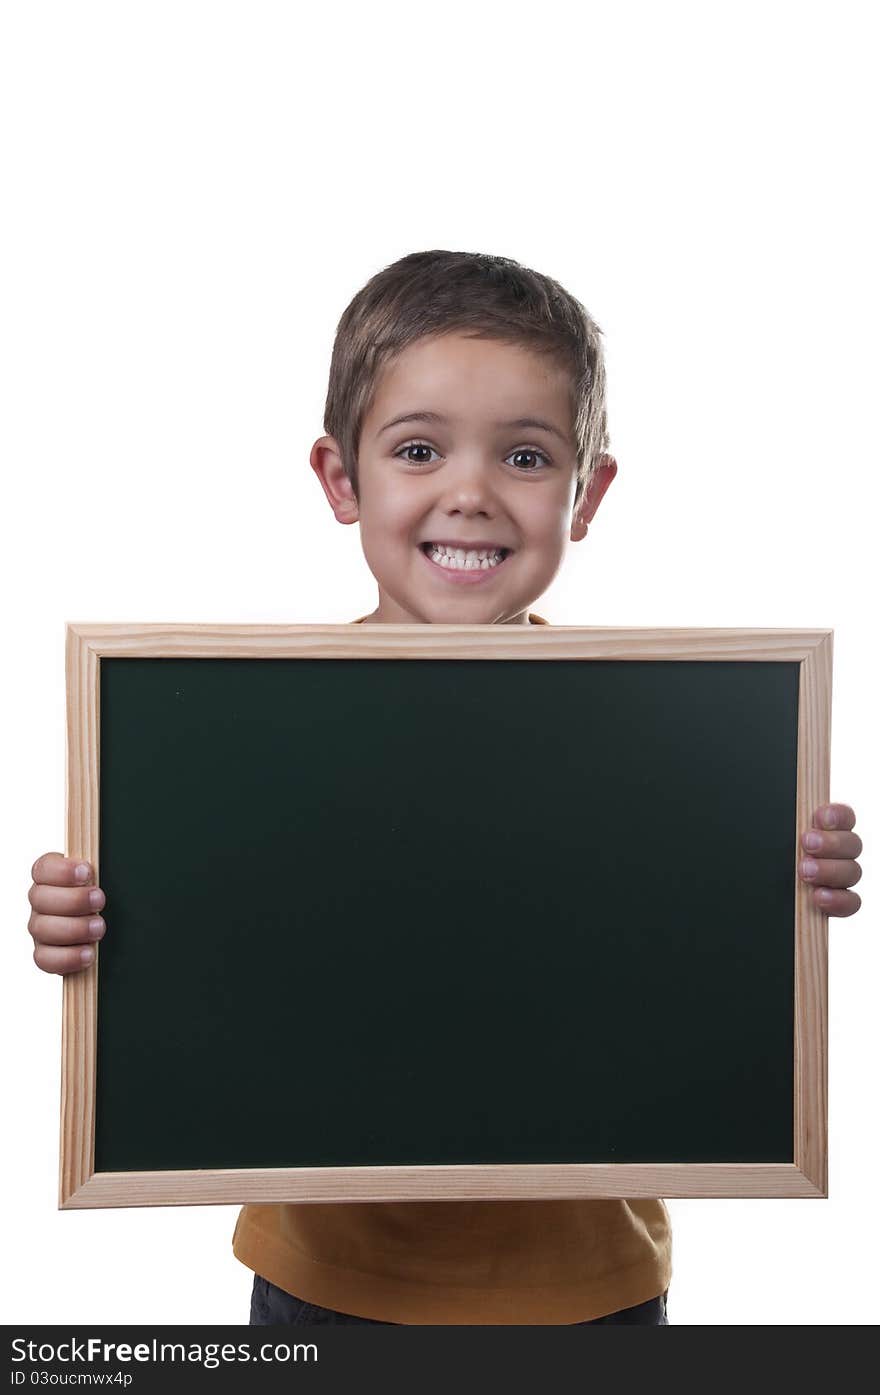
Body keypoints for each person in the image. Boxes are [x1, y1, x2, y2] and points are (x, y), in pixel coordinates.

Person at [27, 250, 864, 1326]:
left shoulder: (660, 747)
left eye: (524, 455)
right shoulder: (242, 742)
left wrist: (788, 882)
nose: (467, 495)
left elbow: (699, 942)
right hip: (324, 1285)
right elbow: (197, 950)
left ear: (586, 491)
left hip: (592, 1290)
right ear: (342, 479)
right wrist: (92, 925)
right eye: (418, 449)